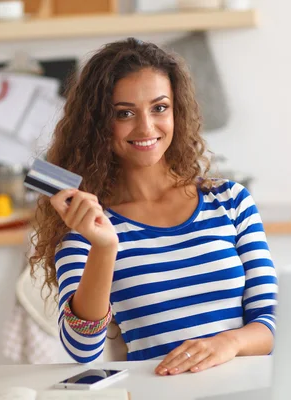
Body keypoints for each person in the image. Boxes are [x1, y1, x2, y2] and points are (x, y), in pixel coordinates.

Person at [30, 38, 277, 376]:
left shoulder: (231, 201)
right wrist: (104, 247)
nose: (146, 127)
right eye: (125, 113)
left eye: (159, 107)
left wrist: (227, 344)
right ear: (99, 124)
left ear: (177, 111)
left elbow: (271, 321)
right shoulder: (87, 228)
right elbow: (82, 350)